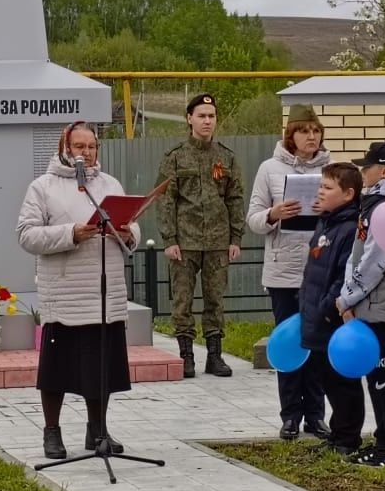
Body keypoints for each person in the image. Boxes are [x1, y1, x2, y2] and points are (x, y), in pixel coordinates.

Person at [17, 121, 138, 461]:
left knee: (102, 367)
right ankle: (52, 431)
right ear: (64, 149)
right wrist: (71, 233)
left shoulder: (109, 184)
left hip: (105, 291)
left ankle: (97, 429)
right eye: (79, 146)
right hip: (66, 293)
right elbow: (26, 235)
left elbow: (132, 224)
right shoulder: (43, 187)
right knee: (58, 368)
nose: (87, 153)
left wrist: (129, 233)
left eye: (92, 147)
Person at [247, 103, 331, 440]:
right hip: (284, 272)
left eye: (315, 130)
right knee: (289, 342)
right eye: (304, 131)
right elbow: (252, 219)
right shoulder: (270, 168)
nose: (311, 136)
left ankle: (316, 414)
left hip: (320, 270)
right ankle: (290, 415)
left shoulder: (332, 168)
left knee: (317, 344)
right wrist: (274, 213)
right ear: (291, 135)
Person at [336, 141, 385, 468]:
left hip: (383, 307)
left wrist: (345, 298)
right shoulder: (374, 204)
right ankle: (383, 440)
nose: (361, 172)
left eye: (366, 167)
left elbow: (373, 262)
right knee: (375, 376)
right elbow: (357, 254)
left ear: (383, 171)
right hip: (370, 304)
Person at [157, 93, 245, 379]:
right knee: (182, 300)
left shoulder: (226, 157)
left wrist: (235, 238)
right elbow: (165, 200)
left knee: (215, 300)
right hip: (185, 240)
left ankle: (215, 355)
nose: (207, 121)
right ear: (189, 119)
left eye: (211, 116)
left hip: (218, 241)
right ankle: (186, 355)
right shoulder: (175, 157)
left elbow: (235, 198)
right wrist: (169, 240)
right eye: (202, 116)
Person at [299, 163, 365, 456]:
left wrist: (327, 309)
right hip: (316, 316)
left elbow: (344, 276)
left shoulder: (350, 229)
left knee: (343, 382)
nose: (320, 193)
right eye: (321, 186)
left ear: (349, 194)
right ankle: (337, 433)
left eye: (327, 188)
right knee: (328, 380)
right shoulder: (326, 223)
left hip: (333, 319)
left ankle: (348, 438)